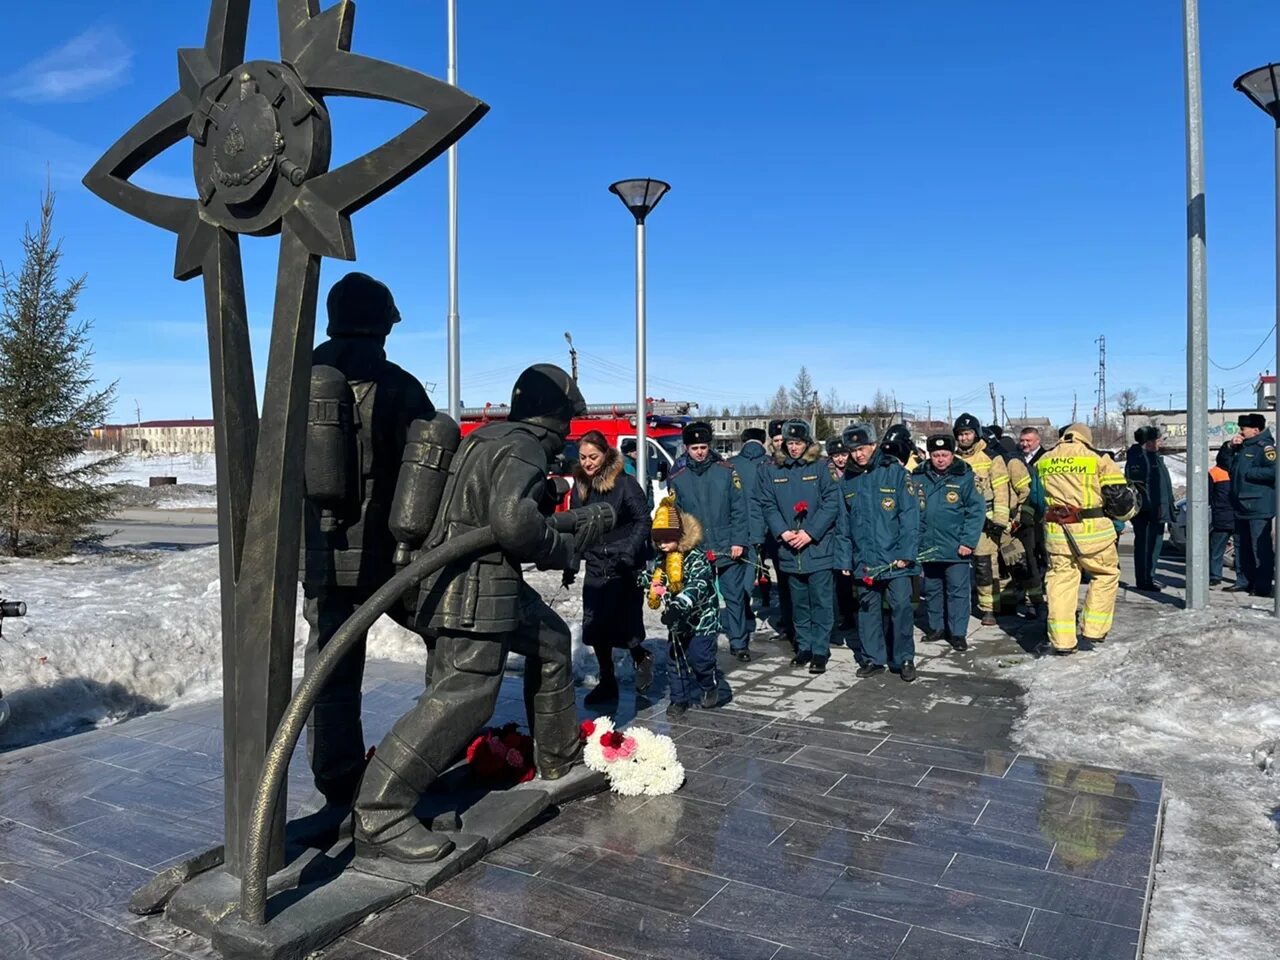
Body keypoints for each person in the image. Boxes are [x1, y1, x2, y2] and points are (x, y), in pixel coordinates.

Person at [353, 364, 593, 862]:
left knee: (550, 641)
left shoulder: (486, 436)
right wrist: (560, 548)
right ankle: (381, 811)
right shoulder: (526, 446)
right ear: (555, 418)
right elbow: (511, 523)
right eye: (566, 425)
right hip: (476, 586)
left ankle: (559, 756)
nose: (566, 439)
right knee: (466, 694)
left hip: (453, 579)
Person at [301, 272, 434, 809]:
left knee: (330, 674)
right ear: (382, 323)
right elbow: (433, 463)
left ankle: (337, 784)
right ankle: (415, 766)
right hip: (389, 555)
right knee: (451, 649)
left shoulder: (296, 377)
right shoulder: (399, 383)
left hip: (322, 556)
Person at [568, 430, 654, 706]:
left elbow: (643, 520)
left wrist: (629, 551)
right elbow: (575, 527)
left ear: (605, 455)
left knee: (625, 627)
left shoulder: (625, 483)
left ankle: (641, 656)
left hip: (623, 565)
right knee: (594, 626)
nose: (588, 463)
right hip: (595, 563)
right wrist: (571, 562)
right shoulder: (579, 486)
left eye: (593, 457)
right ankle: (608, 682)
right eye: (583, 457)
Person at [1037, 423, 1137, 655]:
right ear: (1087, 438)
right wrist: (1127, 515)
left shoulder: (1045, 460)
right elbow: (1118, 498)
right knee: (1105, 574)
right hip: (1093, 532)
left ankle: (1062, 641)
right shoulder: (1098, 458)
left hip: (1056, 531)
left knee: (1061, 581)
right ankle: (1093, 628)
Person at [759, 419, 841, 673]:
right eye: (790, 443)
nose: (794, 448)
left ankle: (819, 649)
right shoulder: (774, 469)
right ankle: (803, 646)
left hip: (817, 548)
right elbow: (768, 504)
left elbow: (831, 503)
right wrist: (783, 532)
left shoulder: (821, 467)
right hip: (789, 549)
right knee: (798, 602)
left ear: (808, 444)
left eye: (798, 443)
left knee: (821, 601)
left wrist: (810, 532)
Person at [839, 423, 920, 681]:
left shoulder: (894, 473)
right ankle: (873, 658)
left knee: (901, 608)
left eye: (862, 449)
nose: (857, 455)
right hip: (865, 559)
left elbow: (910, 516)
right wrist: (844, 558)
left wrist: (906, 553)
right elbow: (843, 523)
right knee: (867, 611)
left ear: (873, 446)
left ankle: (904, 658)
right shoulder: (848, 480)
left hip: (895, 559)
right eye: (853, 450)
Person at [668, 421, 753, 660]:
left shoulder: (725, 472)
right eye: (694, 448)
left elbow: (739, 509)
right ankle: (703, 639)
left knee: (734, 596)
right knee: (701, 597)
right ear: (686, 448)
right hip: (698, 548)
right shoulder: (679, 478)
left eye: (703, 447)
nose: (700, 452)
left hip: (728, 545)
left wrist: (739, 541)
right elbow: (677, 516)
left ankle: (739, 642)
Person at [644, 495, 724, 716]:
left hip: (701, 621)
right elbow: (652, 578)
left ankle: (709, 684)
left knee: (700, 659)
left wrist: (680, 604)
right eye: (659, 541)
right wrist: (636, 578)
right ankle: (679, 699)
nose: (663, 545)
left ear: (680, 537)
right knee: (675, 659)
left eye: (667, 540)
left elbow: (698, 585)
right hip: (677, 623)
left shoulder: (696, 558)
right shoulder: (663, 560)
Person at [913, 434, 984, 651]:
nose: (940, 459)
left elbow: (976, 512)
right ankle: (937, 627)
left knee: (957, 591)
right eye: (936, 455)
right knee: (933, 589)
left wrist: (968, 542)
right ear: (929, 455)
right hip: (928, 545)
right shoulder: (918, 477)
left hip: (956, 546)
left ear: (952, 454)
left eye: (945, 455)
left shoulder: (965, 477)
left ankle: (957, 632)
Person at [953, 413, 1010, 625]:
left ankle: (989, 608)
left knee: (985, 564)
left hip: (985, 520)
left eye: (967, 434)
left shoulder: (991, 457)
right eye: (960, 434)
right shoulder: (953, 458)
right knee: (956, 565)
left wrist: (1000, 519)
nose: (964, 438)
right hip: (957, 519)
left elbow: (1002, 490)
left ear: (976, 434)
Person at [1217, 413, 1276, 596]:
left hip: (1258, 506)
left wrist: (1249, 473)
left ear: (1255, 430)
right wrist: (1229, 447)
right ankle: (1243, 581)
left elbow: (1274, 471)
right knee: (1241, 547)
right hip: (1240, 505)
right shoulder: (1242, 447)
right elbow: (1223, 463)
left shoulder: (1265, 448)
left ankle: (1262, 585)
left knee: (1260, 549)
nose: (1240, 432)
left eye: (1243, 429)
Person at [757, 418, 795, 642]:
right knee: (782, 581)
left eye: (785, 440)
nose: (781, 444)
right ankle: (787, 622)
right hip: (776, 533)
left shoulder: (801, 465)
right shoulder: (766, 467)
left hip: (799, 532)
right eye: (778, 440)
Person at [1124, 426, 1174, 592]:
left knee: (1154, 545)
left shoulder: (1153, 457)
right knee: (1146, 546)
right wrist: (1152, 507)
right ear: (1149, 442)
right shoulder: (1140, 459)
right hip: (1148, 512)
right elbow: (1142, 488)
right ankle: (1144, 580)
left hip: (1157, 510)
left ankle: (1148, 577)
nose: (1160, 442)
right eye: (1157, 440)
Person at [731, 427, 770, 627]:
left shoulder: (730, 465)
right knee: (757, 567)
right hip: (766, 526)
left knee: (740, 570)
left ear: (743, 440)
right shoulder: (770, 464)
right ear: (763, 441)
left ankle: (741, 604)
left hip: (736, 527)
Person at [825, 437, 855, 634]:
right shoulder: (826, 474)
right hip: (833, 530)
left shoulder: (855, 472)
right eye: (836, 455)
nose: (841, 459)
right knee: (839, 579)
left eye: (844, 454)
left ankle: (853, 612)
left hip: (852, 528)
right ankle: (844, 614)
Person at [1019, 426, 1049, 611]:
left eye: (1028, 441)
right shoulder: (1017, 459)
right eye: (1022, 440)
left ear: (1037, 441)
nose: (1024, 444)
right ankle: (1031, 592)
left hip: (1044, 514)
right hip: (1025, 515)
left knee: (1045, 554)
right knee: (1028, 555)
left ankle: (1044, 591)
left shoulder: (1046, 458)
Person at [1208, 462, 1243, 588]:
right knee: (1240, 550)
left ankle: (1214, 576)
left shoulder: (1215, 472)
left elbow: (1207, 495)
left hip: (1222, 516)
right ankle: (1242, 579)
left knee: (1217, 548)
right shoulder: (1242, 466)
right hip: (1239, 515)